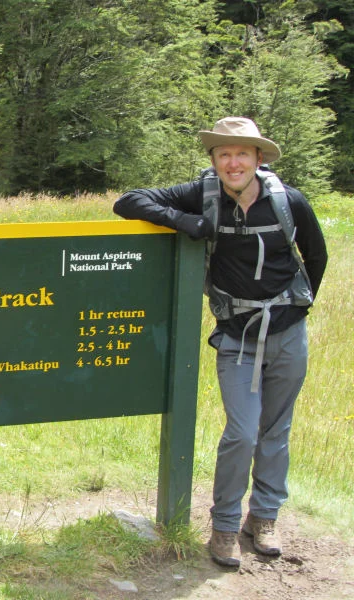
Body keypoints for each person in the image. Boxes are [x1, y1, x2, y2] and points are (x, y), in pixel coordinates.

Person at [113, 117, 327, 567]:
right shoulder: (203, 194)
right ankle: (225, 526)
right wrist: (185, 221)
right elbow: (127, 202)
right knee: (242, 433)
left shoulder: (289, 203)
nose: (233, 162)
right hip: (237, 336)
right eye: (224, 153)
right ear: (213, 160)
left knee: (276, 430)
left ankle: (264, 518)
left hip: (288, 332)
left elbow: (316, 255)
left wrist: (298, 310)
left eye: (242, 153)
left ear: (258, 159)